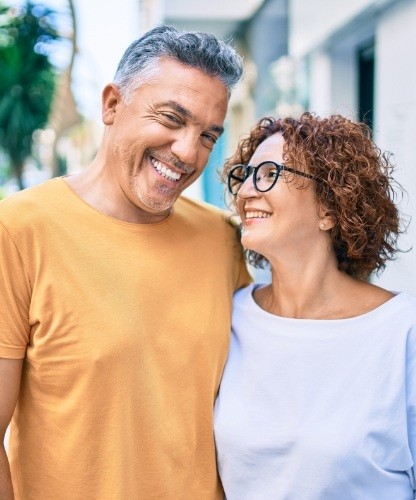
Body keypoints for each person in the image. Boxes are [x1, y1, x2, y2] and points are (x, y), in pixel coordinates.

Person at [0, 25, 251, 499]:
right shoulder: (17, 231)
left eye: (207, 135)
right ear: (112, 104)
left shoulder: (222, 238)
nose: (187, 152)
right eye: (172, 119)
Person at [214, 113, 416, 499]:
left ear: (329, 208)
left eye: (270, 172)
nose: (245, 192)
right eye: (245, 174)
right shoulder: (232, 315)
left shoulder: (401, 331)